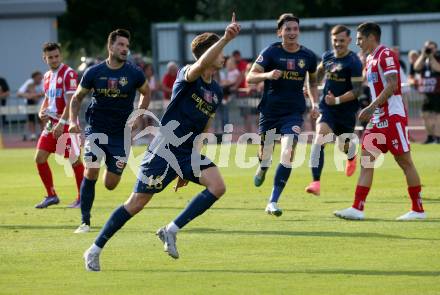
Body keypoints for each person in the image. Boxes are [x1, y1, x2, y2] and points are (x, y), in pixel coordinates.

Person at [82, 14, 240, 272]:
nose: (224, 56)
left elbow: (204, 127)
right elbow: (199, 66)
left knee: (217, 186)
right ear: (208, 54)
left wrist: (190, 164)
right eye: (220, 51)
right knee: (136, 203)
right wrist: (225, 37)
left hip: (187, 152)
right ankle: (94, 248)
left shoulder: (217, 90)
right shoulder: (187, 73)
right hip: (164, 150)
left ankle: (170, 230)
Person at [334, 22, 426, 221]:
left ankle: (418, 210)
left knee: (404, 161)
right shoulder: (369, 58)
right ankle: (357, 208)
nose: (357, 42)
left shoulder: (386, 55)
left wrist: (371, 106)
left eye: (359, 38)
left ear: (371, 37)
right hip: (377, 119)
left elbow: (393, 85)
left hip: (393, 116)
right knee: (367, 161)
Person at [69, 29, 150, 233]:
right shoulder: (93, 72)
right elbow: (77, 98)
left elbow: (146, 93)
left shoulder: (134, 72)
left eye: (127, 46)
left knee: (111, 184)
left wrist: (138, 116)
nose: (125, 49)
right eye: (121, 45)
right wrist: (72, 121)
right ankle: (85, 221)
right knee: (91, 170)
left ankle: (110, 166)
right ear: (110, 46)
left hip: (121, 136)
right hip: (96, 130)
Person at [246, 13, 319, 216]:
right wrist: (267, 74)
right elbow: (250, 77)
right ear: (280, 32)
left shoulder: (308, 57)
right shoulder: (270, 52)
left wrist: (315, 103)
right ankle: (262, 168)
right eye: (288, 29)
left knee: (288, 152)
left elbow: (312, 82)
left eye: (295, 28)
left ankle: (273, 201)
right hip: (270, 111)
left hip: (294, 112)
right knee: (266, 155)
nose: (292, 32)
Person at [304, 25, 363, 196]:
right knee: (319, 137)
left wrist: (337, 99)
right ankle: (315, 182)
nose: (338, 44)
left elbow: (357, 91)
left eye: (342, 41)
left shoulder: (354, 62)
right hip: (327, 108)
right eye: (335, 40)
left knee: (343, 145)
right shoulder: (328, 57)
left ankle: (351, 156)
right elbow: (316, 75)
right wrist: (310, 88)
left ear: (349, 41)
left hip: (346, 111)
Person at [34, 42, 85, 209]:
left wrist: (62, 123)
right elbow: (48, 98)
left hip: (67, 123)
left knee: (75, 161)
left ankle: (82, 198)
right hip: (51, 124)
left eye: (56, 56)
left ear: (60, 56)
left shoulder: (69, 74)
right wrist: (42, 110)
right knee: (39, 158)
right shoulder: (47, 76)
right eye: (50, 57)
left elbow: (71, 101)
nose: (54, 59)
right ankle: (51, 195)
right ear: (44, 58)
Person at [413, 40, 440, 144]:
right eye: (427, 48)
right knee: (425, 114)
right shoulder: (423, 59)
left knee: (438, 115)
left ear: (436, 49)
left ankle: (438, 138)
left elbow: (438, 68)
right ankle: (430, 136)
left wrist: (431, 57)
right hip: (426, 91)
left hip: (438, 92)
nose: (429, 50)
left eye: (431, 48)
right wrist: (423, 55)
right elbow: (416, 67)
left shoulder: (437, 57)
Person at [17, 71, 45, 141]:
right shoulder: (29, 83)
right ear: (34, 78)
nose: (40, 79)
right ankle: (33, 135)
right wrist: (28, 96)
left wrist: (34, 95)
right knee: (31, 118)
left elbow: (45, 92)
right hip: (30, 104)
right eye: (38, 78)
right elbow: (19, 93)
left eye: (41, 77)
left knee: (41, 119)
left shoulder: (44, 82)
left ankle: (43, 134)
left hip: (41, 104)